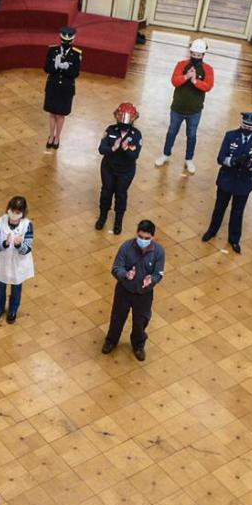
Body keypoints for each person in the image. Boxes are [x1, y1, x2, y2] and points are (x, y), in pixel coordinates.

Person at [202, 111, 252, 253]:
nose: (247, 128)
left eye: (250, 126)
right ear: (241, 123)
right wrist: (233, 161)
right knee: (219, 208)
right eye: (245, 124)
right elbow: (220, 158)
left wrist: (250, 164)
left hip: (244, 183)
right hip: (227, 179)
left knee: (238, 212)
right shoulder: (230, 136)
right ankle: (212, 231)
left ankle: (234, 239)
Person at [102, 220, 165, 361]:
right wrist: (126, 274)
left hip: (144, 294)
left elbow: (159, 273)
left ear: (153, 237)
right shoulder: (126, 247)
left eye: (147, 238)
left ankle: (138, 345)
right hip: (124, 290)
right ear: (137, 234)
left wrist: (152, 280)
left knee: (140, 321)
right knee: (117, 317)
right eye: (141, 237)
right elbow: (116, 268)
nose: (143, 241)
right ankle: (111, 340)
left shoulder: (159, 252)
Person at [155, 38, 214, 175]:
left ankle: (189, 159)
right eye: (193, 54)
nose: (196, 57)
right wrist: (186, 77)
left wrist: (194, 81)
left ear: (203, 55)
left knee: (192, 135)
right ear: (190, 52)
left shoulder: (208, 69)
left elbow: (208, 86)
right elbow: (174, 81)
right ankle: (165, 154)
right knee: (171, 132)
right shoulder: (181, 65)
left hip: (195, 111)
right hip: (177, 108)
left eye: (199, 55)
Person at [95, 101, 143, 235]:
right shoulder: (110, 130)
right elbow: (101, 149)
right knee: (106, 192)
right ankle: (102, 217)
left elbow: (135, 155)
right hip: (108, 168)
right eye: (122, 117)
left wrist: (126, 149)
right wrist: (113, 148)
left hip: (126, 171)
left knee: (121, 195)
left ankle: (118, 222)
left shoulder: (136, 135)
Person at [0, 196, 34, 323]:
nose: (14, 215)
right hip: (2, 262)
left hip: (17, 264)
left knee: (16, 287)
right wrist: (5, 243)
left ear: (23, 213)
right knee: (0, 287)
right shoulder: (0, 221)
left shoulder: (27, 225)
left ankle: (13, 310)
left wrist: (19, 244)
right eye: (12, 211)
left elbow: (28, 248)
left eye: (18, 212)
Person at [43, 27, 82, 149]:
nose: (65, 43)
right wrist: (56, 66)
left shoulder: (76, 54)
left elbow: (75, 73)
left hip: (66, 88)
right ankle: (50, 135)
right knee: (52, 113)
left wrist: (66, 68)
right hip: (53, 86)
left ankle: (57, 137)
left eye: (68, 40)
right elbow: (46, 68)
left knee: (60, 115)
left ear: (72, 40)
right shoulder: (52, 50)